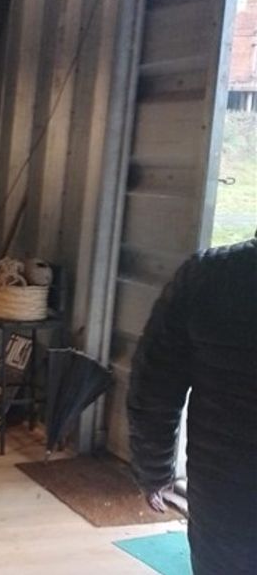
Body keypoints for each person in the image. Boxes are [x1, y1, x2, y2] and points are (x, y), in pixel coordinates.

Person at [127, 237, 256, 575]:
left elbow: (152, 385)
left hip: (223, 501)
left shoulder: (208, 276)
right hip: (223, 498)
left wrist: (153, 471)